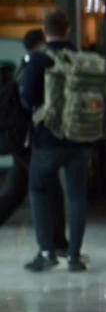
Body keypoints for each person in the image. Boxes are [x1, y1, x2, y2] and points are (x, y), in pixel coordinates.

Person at [19, 10, 104, 271]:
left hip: (47, 138)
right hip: (81, 137)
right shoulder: (84, 59)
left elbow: (29, 97)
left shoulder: (39, 58)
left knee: (38, 191)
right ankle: (74, 256)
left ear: (45, 30)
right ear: (68, 30)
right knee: (77, 197)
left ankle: (46, 253)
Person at [0, 31, 68, 245]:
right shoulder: (37, 64)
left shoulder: (24, 65)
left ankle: (57, 241)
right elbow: (29, 101)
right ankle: (57, 241)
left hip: (18, 138)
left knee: (15, 191)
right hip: (25, 139)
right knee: (50, 187)